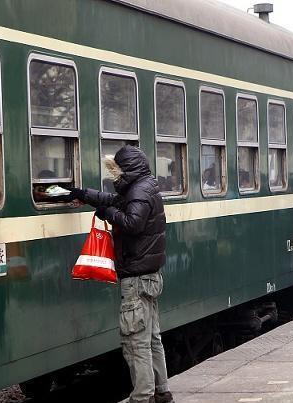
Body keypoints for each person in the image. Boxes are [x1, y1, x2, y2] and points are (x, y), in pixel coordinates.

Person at [60, 145, 173, 403]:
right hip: (148, 276)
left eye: (118, 173)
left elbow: (132, 223)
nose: (115, 178)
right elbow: (115, 201)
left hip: (136, 279)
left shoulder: (139, 191)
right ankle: (161, 391)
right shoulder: (145, 186)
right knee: (151, 337)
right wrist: (84, 195)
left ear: (128, 171)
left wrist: (107, 214)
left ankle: (142, 396)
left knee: (136, 341)